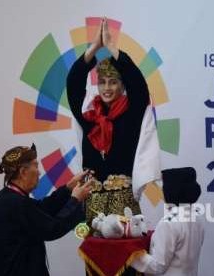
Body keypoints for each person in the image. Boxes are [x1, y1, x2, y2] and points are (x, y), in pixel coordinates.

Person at [67, 17, 150, 225]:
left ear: (122, 86)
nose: (106, 88)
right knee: (93, 254)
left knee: (127, 257)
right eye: (102, 82)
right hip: (93, 203)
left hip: (124, 203)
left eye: (113, 82)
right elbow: (73, 85)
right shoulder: (89, 116)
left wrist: (112, 48)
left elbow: (139, 86)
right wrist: (94, 48)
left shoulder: (131, 114)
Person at [0, 144, 93, 276]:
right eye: (35, 166)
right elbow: (51, 229)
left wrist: (68, 188)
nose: (39, 172)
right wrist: (75, 201)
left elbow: (42, 208)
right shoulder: (16, 203)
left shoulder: (5, 197)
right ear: (23, 172)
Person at [131, 167, 205, 276]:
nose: (162, 190)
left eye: (165, 186)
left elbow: (157, 267)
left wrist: (131, 254)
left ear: (172, 190)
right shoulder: (198, 217)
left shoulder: (168, 223)